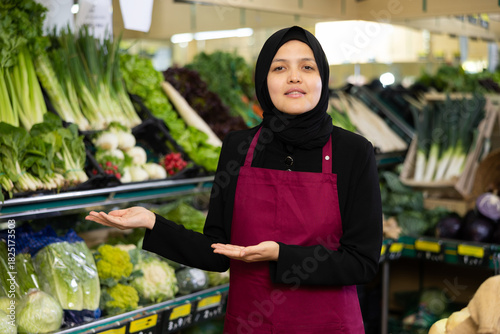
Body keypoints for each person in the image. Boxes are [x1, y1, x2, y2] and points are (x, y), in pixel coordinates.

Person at [86, 25, 383, 334]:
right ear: (263, 81)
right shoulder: (239, 147)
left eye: (307, 67)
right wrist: (153, 223)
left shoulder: (353, 152)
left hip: (327, 326)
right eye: (279, 67)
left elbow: (361, 261)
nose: (294, 77)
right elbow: (217, 250)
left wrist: (282, 255)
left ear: (322, 77)